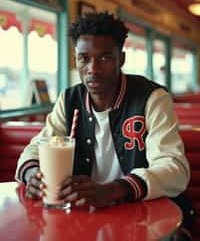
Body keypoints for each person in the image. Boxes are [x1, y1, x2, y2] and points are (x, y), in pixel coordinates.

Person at [16, 12, 192, 240]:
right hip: (85, 219)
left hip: (150, 219)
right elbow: (35, 148)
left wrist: (113, 190)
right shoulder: (69, 100)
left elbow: (175, 170)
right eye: (84, 58)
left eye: (105, 58)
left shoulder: (153, 98)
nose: (93, 68)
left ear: (122, 58)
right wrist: (32, 175)